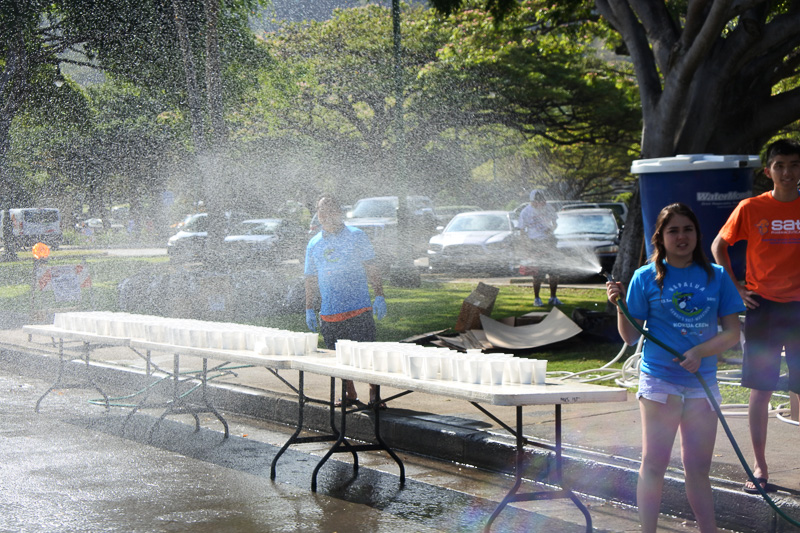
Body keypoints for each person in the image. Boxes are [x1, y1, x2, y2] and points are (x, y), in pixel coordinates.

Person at [607, 203, 743, 533]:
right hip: (659, 383)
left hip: (702, 385)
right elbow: (629, 335)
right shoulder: (645, 276)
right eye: (673, 230)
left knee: (697, 468)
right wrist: (620, 306)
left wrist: (700, 351)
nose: (681, 236)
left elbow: (732, 334)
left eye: (688, 229)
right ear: (660, 237)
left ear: (697, 235)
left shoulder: (718, 276)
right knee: (654, 464)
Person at [711, 138, 800, 494]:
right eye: (780, 165)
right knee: (761, 389)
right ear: (768, 172)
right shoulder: (751, 208)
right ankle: (759, 468)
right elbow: (720, 245)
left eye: (794, 164)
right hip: (763, 308)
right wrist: (735, 289)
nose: (788, 172)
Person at [305, 195, 388, 408]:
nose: (322, 215)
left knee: (367, 353)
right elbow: (311, 278)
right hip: (330, 311)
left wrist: (379, 294)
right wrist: (308, 308)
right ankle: (350, 393)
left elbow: (371, 266)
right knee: (339, 357)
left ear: (338, 212)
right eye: (319, 211)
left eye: (327, 210)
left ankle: (374, 395)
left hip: (358, 307)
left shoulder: (356, 236)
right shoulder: (314, 243)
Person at [518, 189, 561, 306]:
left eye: (541, 201)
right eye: (536, 202)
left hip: (550, 242)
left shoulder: (549, 208)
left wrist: (551, 229)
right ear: (532, 201)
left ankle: (553, 297)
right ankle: (537, 298)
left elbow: (555, 223)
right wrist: (526, 246)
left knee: (554, 272)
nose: (539, 204)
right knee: (537, 274)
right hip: (534, 244)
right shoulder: (526, 212)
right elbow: (522, 231)